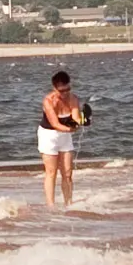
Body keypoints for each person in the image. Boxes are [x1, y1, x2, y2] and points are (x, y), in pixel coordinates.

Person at [38, 70, 85, 206]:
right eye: (62, 91)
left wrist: (79, 123)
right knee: (51, 172)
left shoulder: (73, 98)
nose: (65, 93)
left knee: (68, 172)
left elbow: (75, 117)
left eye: (68, 89)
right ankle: (51, 205)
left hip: (65, 136)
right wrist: (71, 129)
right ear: (55, 88)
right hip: (49, 135)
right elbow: (55, 124)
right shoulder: (48, 101)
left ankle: (68, 203)